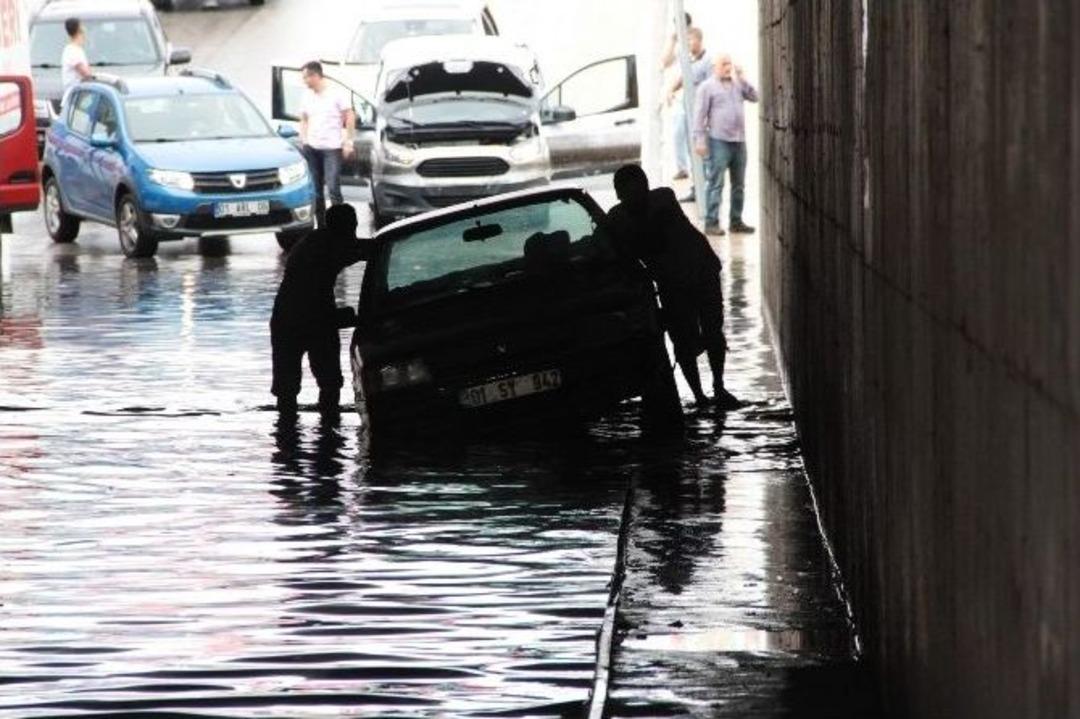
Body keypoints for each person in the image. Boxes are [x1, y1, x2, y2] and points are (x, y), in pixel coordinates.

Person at [607, 164, 742, 409]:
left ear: (647, 188)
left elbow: (652, 239)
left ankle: (719, 387)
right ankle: (700, 397)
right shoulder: (618, 219)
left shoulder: (663, 199)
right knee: (682, 342)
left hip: (700, 272)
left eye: (639, 191)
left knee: (712, 331)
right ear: (619, 195)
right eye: (630, 193)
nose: (636, 197)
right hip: (673, 284)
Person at [270, 204, 373, 416]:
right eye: (352, 226)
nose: (354, 232)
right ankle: (329, 429)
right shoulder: (330, 246)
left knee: (287, 386)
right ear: (347, 226)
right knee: (330, 382)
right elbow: (362, 250)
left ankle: (287, 436)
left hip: (285, 318)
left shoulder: (313, 242)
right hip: (310, 318)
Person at [693, 54, 759, 236]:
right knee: (716, 183)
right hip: (718, 141)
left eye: (729, 63)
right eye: (724, 64)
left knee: (739, 185)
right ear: (715, 67)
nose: (727, 67)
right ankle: (711, 222)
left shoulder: (738, 85)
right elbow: (699, 116)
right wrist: (699, 140)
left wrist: (743, 77)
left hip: (739, 141)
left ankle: (736, 221)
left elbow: (755, 97)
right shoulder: (707, 87)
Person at [299, 61, 356, 228]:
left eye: (305, 78)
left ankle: (340, 226)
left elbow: (349, 115)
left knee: (333, 187)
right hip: (312, 148)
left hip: (332, 148)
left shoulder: (336, 93)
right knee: (316, 190)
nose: (304, 81)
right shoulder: (306, 96)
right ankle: (322, 227)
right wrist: (304, 139)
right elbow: (303, 119)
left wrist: (348, 142)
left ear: (315, 76)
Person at [664, 27, 710, 190]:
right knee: (692, 151)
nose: (688, 43)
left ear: (698, 39)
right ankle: (696, 188)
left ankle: (704, 190)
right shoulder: (692, 60)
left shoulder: (707, 61)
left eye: (690, 40)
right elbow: (683, 77)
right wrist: (670, 90)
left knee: (702, 154)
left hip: (702, 115)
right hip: (691, 112)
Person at [60, 18, 92, 98]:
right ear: (79, 30)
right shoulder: (72, 51)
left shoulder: (76, 49)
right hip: (76, 97)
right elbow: (85, 74)